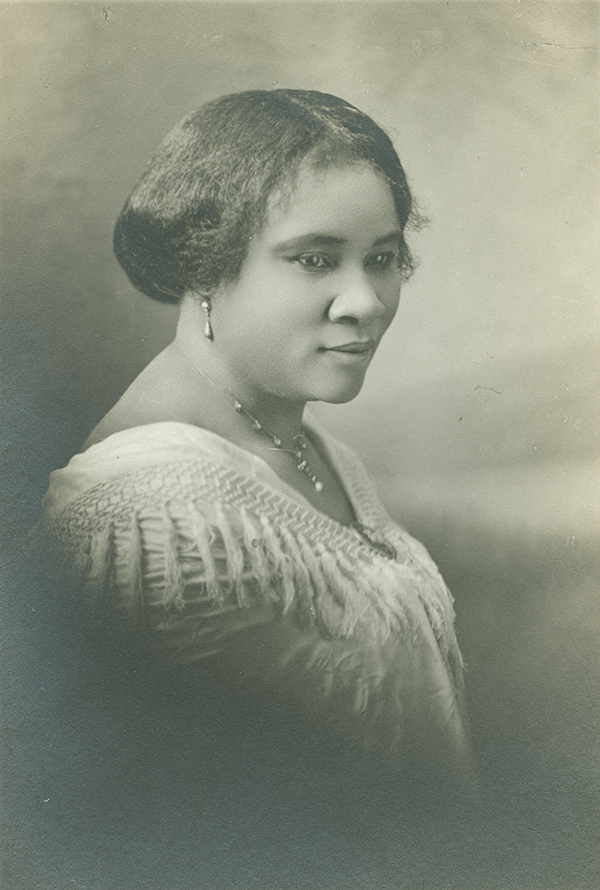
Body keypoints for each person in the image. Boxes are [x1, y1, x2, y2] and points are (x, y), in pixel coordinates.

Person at [34, 89, 472, 781]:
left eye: (383, 259)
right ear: (205, 263)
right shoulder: (153, 517)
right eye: (316, 260)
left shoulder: (312, 447)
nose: (365, 303)